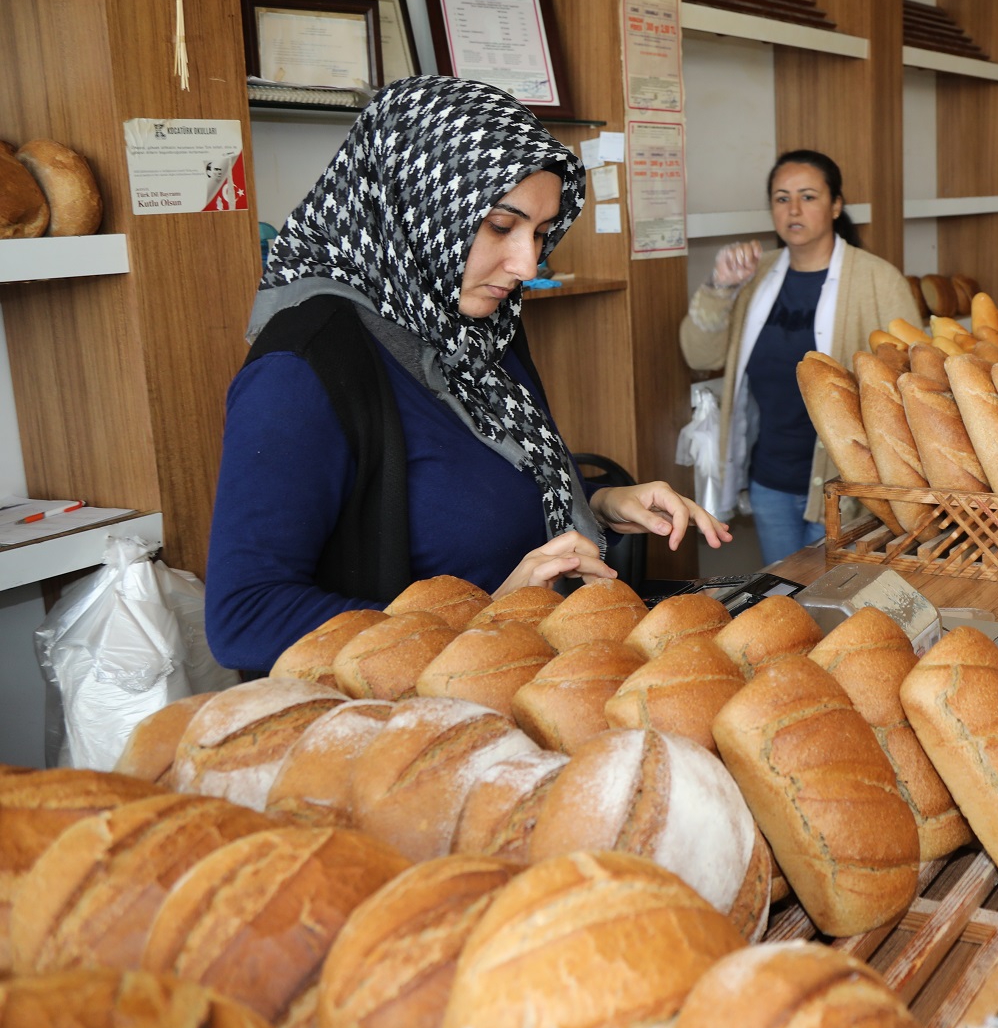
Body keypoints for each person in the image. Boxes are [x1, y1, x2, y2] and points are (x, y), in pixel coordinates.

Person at [208, 76, 728, 673]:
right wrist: (478, 620)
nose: (527, 264)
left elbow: (469, 485)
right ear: (414, 203)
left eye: (540, 232)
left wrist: (602, 501)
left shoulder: (474, 323)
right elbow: (244, 618)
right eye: (502, 227)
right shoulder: (301, 368)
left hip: (518, 680)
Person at [680, 149, 920, 562]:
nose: (793, 208)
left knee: (843, 603)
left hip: (850, 487)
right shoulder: (755, 276)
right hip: (770, 480)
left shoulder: (878, 279)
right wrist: (720, 287)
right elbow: (697, 353)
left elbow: (911, 381)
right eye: (781, 197)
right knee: (788, 600)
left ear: (836, 205)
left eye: (808, 196)